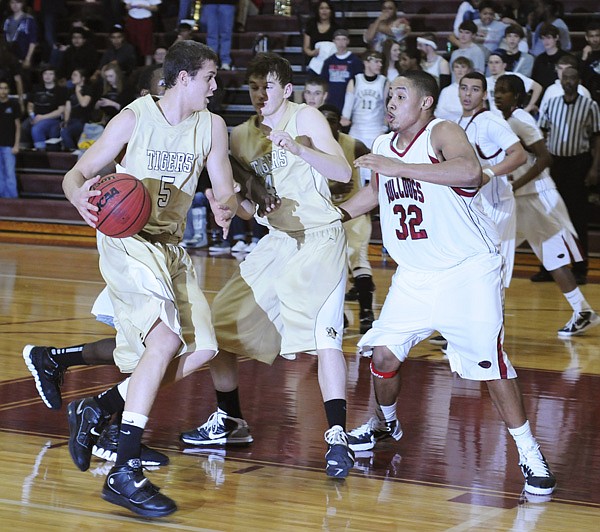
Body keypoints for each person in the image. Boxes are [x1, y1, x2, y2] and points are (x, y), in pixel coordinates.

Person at [338, 70, 556, 497]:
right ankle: (386, 423)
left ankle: (530, 453)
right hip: (415, 275)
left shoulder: (442, 131)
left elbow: (470, 172)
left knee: (489, 366)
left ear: (425, 102)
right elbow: (373, 195)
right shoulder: (384, 145)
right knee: (383, 354)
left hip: (466, 270)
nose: (391, 101)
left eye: (400, 94)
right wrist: (331, 215)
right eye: (387, 95)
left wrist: (397, 166)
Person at [60, 40, 242, 518]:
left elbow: (222, 185)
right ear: (184, 78)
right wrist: (80, 197)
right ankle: (123, 469)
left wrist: (229, 205)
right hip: (127, 241)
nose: (215, 86)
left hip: (171, 249)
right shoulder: (134, 117)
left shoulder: (212, 127)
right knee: (162, 343)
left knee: (202, 348)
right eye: (209, 77)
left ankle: (98, 407)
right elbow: (77, 172)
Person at [179, 52, 356, 479]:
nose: (261, 95)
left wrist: (299, 148)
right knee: (216, 326)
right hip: (276, 245)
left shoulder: (307, 118)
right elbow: (241, 209)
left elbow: (344, 173)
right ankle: (231, 421)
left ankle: (337, 438)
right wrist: (228, 204)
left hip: (320, 240)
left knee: (325, 337)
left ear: (287, 89)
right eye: (255, 87)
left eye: (269, 87)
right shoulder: (239, 136)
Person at [494, 74, 600, 336]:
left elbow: (545, 158)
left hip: (537, 198)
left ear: (517, 97)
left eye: (504, 91)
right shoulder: (501, 120)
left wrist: (515, 185)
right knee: (494, 256)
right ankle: (583, 311)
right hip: (521, 200)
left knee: (540, 258)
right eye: (496, 90)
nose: (498, 95)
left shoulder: (522, 119)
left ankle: (484, 322)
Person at [457, 71, 526, 288]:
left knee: (492, 276)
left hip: (497, 205)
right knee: (474, 274)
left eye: (475, 89)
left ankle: (496, 322)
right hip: (476, 206)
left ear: (485, 94)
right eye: (464, 88)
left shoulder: (490, 121)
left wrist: (489, 172)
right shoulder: (459, 122)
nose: (468, 94)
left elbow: (519, 154)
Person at [538, 66, 600, 285]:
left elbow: (596, 139)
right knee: (550, 216)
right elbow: (542, 133)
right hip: (556, 163)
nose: (569, 82)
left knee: (576, 218)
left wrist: (594, 168)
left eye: (573, 78)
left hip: (578, 163)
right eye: (566, 78)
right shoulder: (552, 104)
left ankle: (581, 268)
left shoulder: (589, 105)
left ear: (579, 81)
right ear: (560, 80)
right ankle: (549, 268)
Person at [321, 103, 375, 333]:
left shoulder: (353, 144)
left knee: (358, 260)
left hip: (353, 213)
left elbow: (376, 163)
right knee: (331, 268)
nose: (328, 125)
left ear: (339, 123)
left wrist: (373, 190)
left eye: (332, 120)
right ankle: (341, 316)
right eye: (323, 120)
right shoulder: (309, 145)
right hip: (326, 217)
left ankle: (366, 314)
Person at [341, 50, 389, 155]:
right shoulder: (355, 80)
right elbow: (347, 107)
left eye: (381, 62)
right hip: (356, 130)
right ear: (366, 62)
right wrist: (345, 120)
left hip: (376, 131)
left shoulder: (384, 81)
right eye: (376, 61)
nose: (380, 65)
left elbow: (387, 109)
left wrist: (384, 129)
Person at [22, 65, 67, 150]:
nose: (47, 76)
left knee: (37, 128)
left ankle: (40, 152)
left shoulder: (60, 90)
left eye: (51, 74)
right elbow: (30, 104)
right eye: (45, 74)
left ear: (54, 76)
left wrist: (42, 117)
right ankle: (24, 151)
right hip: (36, 117)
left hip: (52, 119)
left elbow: (60, 110)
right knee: (24, 127)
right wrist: (32, 115)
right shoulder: (36, 88)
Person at [537, 54, 591, 119]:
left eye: (567, 69)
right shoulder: (550, 90)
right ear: (556, 69)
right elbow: (542, 115)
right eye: (560, 68)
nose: (563, 72)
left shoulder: (582, 91)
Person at [322, 28, 363, 113]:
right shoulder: (328, 61)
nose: (341, 42)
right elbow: (323, 81)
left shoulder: (355, 61)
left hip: (348, 100)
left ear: (348, 41)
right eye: (338, 39)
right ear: (334, 41)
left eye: (343, 39)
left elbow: (359, 82)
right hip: (331, 100)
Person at [60, 68, 94, 151]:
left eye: (75, 75)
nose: (72, 77)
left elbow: (84, 103)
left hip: (83, 121)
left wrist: (78, 92)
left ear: (82, 78)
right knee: (62, 129)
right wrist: (65, 121)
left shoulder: (87, 89)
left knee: (65, 132)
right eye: (72, 75)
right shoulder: (70, 91)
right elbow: (68, 108)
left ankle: (73, 151)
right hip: (72, 120)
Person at [530, 23, 568, 94]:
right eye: (543, 38)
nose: (545, 41)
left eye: (548, 38)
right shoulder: (539, 59)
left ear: (556, 38)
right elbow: (534, 80)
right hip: (542, 97)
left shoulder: (566, 58)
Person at [302, 0, 338, 73]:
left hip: (331, 63)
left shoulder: (336, 27)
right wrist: (312, 53)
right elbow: (306, 47)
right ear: (318, 11)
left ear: (331, 11)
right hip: (315, 62)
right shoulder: (311, 26)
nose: (324, 11)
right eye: (321, 8)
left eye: (327, 8)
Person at [123, 0, 161, 66]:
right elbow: (126, 6)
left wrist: (144, 6)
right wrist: (129, 7)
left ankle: (147, 68)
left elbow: (156, 8)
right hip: (132, 19)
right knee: (132, 44)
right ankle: (133, 67)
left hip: (145, 20)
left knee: (147, 45)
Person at [435, 56, 473, 122]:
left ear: (469, 70)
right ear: (453, 70)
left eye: (463, 67)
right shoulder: (446, 91)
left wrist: (450, 110)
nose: (459, 70)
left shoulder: (473, 90)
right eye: (457, 67)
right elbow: (439, 113)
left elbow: (471, 111)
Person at [2, 0, 38, 70]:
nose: (15, 5)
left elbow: (33, 40)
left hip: (23, 55)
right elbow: (5, 37)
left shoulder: (29, 19)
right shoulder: (7, 20)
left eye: (18, 2)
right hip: (9, 56)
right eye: (12, 2)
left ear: (22, 4)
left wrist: (28, 58)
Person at [201, 0, 236, 70]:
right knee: (211, 34)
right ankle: (213, 61)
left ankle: (225, 61)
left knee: (226, 33)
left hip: (227, 3)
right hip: (209, 3)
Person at [0, 79, 20, 198]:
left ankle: (12, 199)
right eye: (1, 88)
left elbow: (18, 125)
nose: (3, 91)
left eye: (5, 88)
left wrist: (16, 144)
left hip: (9, 145)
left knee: (10, 173)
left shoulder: (13, 104)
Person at [580, 20, 600, 104]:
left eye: (597, 35)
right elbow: (578, 76)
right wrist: (584, 58)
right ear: (586, 37)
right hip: (587, 96)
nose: (595, 39)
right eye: (591, 36)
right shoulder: (580, 56)